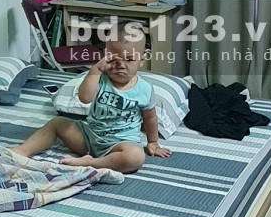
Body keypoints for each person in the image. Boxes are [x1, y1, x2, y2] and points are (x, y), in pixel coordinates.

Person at [14, 28, 171, 173]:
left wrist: (152, 142)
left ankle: (91, 162)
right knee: (57, 123)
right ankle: (22, 151)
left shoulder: (144, 89)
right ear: (105, 56)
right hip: (89, 137)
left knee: (135, 157)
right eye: (114, 59)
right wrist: (95, 70)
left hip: (120, 144)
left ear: (141, 60)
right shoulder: (99, 78)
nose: (121, 66)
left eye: (129, 59)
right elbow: (84, 98)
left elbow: (150, 117)